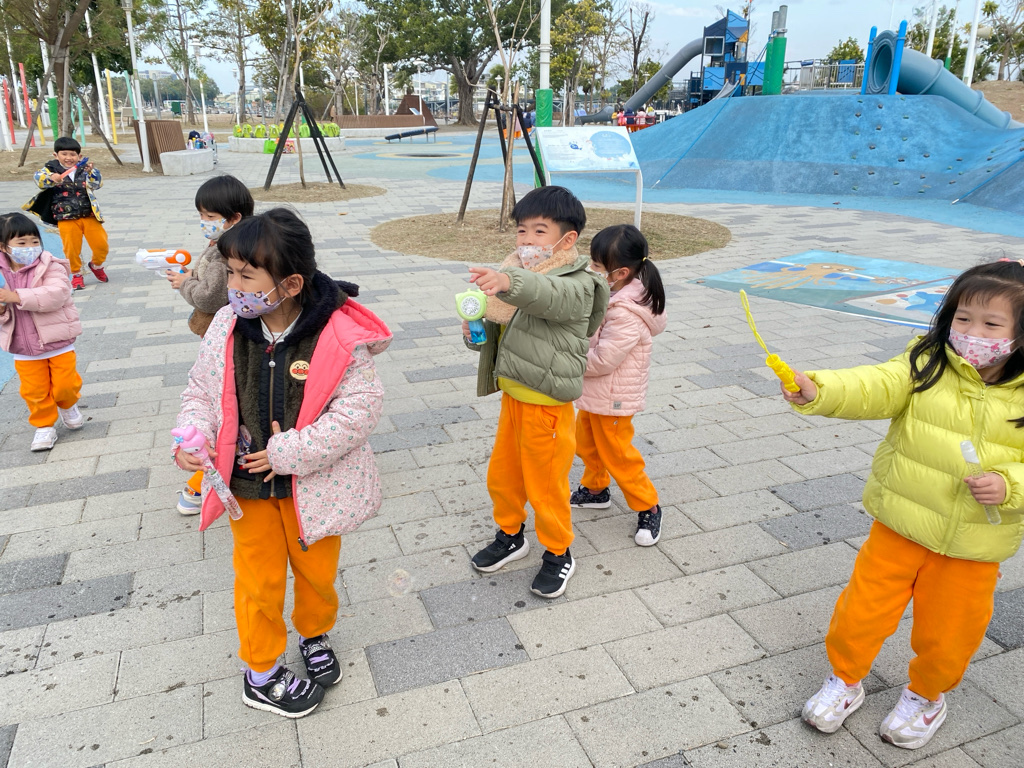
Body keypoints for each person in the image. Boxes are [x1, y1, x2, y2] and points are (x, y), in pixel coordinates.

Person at [788, 260, 1024, 750]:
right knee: (861, 612)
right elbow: (876, 384)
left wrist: (1010, 485)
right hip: (899, 524)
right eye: (963, 318)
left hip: (971, 545)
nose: (972, 333)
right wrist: (820, 389)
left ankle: (926, 696)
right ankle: (844, 679)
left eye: (991, 324)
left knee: (948, 634)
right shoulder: (928, 362)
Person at [175, 208, 391, 718]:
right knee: (258, 581)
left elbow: (359, 410)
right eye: (230, 272)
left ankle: (314, 634)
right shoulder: (228, 324)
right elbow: (202, 390)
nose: (232, 286)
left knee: (317, 574)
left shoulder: (335, 333)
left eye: (245, 276)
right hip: (247, 485)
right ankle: (261, 671)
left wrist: (288, 453)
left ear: (290, 284)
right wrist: (193, 433)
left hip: (315, 487)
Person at [463, 186, 609, 598]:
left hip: (546, 404)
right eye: (522, 230)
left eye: (539, 231)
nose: (527, 241)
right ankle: (510, 535)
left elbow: (546, 296)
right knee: (504, 476)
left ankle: (559, 552)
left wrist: (507, 281)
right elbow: (507, 331)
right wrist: (475, 331)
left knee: (546, 485)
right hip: (513, 396)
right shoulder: (515, 276)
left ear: (567, 239)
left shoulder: (578, 283)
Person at [572, 225, 667, 546]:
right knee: (586, 442)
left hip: (614, 398)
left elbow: (603, 360)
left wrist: (567, 359)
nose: (591, 269)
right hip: (596, 393)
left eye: (597, 266)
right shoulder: (612, 294)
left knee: (618, 455)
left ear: (621, 272)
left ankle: (648, 505)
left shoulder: (626, 313)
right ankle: (595, 489)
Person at [169, 175, 255, 517]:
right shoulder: (226, 244)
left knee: (228, 405)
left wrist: (185, 283)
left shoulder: (226, 252)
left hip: (230, 336)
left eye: (209, 216)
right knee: (218, 399)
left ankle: (199, 484)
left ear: (234, 218)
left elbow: (210, 296)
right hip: (222, 336)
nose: (204, 222)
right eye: (201, 216)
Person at [0, 212, 84, 452]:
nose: (30, 247)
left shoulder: (50, 265)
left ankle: (68, 404)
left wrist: (16, 296)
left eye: (34, 241)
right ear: (4, 247)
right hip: (23, 346)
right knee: (34, 391)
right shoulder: (2, 274)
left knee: (65, 385)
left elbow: (57, 294)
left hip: (58, 341)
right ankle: (44, 425)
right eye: (21, 242)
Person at [24, 137, 108, 291]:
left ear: (79, 156)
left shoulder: (85, 169)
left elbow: (97, 184)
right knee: (71, 249)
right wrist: (51, 178)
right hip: (66, 217)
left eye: (73, 154)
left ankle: (96, 265)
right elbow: (39, 180)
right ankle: (76, 274)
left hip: (89, 215)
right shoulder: (49, 169)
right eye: (64, 154)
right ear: (56, 155)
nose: (69, 158)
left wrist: (91, 172)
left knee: (101, 245)